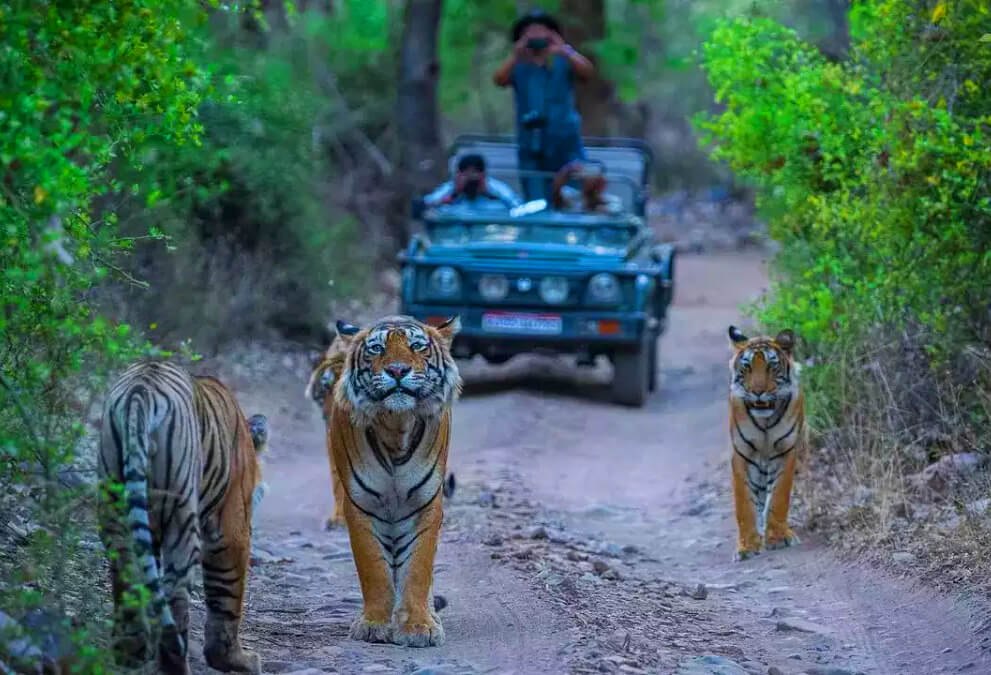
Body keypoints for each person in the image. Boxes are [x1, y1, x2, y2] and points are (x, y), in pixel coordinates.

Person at [493, 11, 595, 202]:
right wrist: (516, 54)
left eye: (542, 31)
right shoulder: (518, 65)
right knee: (536, 202)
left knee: (575, 198)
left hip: (567, 144)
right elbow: (499, 80)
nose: (536, 36)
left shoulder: (563, 61)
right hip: (531, 145)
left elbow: (588, 73)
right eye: (530, 33)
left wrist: (564, 49)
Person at [421, 153, 522, 209]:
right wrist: (454, 194)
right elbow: (426, 205)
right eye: (466, 174)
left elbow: (517, 206)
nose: (470, 179)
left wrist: (489, 193)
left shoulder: (496, 188)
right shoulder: (450, 188)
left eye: (475, 173)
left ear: (483, 174)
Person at [550, 161, 623, 215]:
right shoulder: (571, 195)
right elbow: (556, 190)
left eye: (597, 182)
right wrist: (568, 170)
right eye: (587, 179)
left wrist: (595, 205)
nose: (593, 184)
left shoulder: (613, 201)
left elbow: (614, 211)